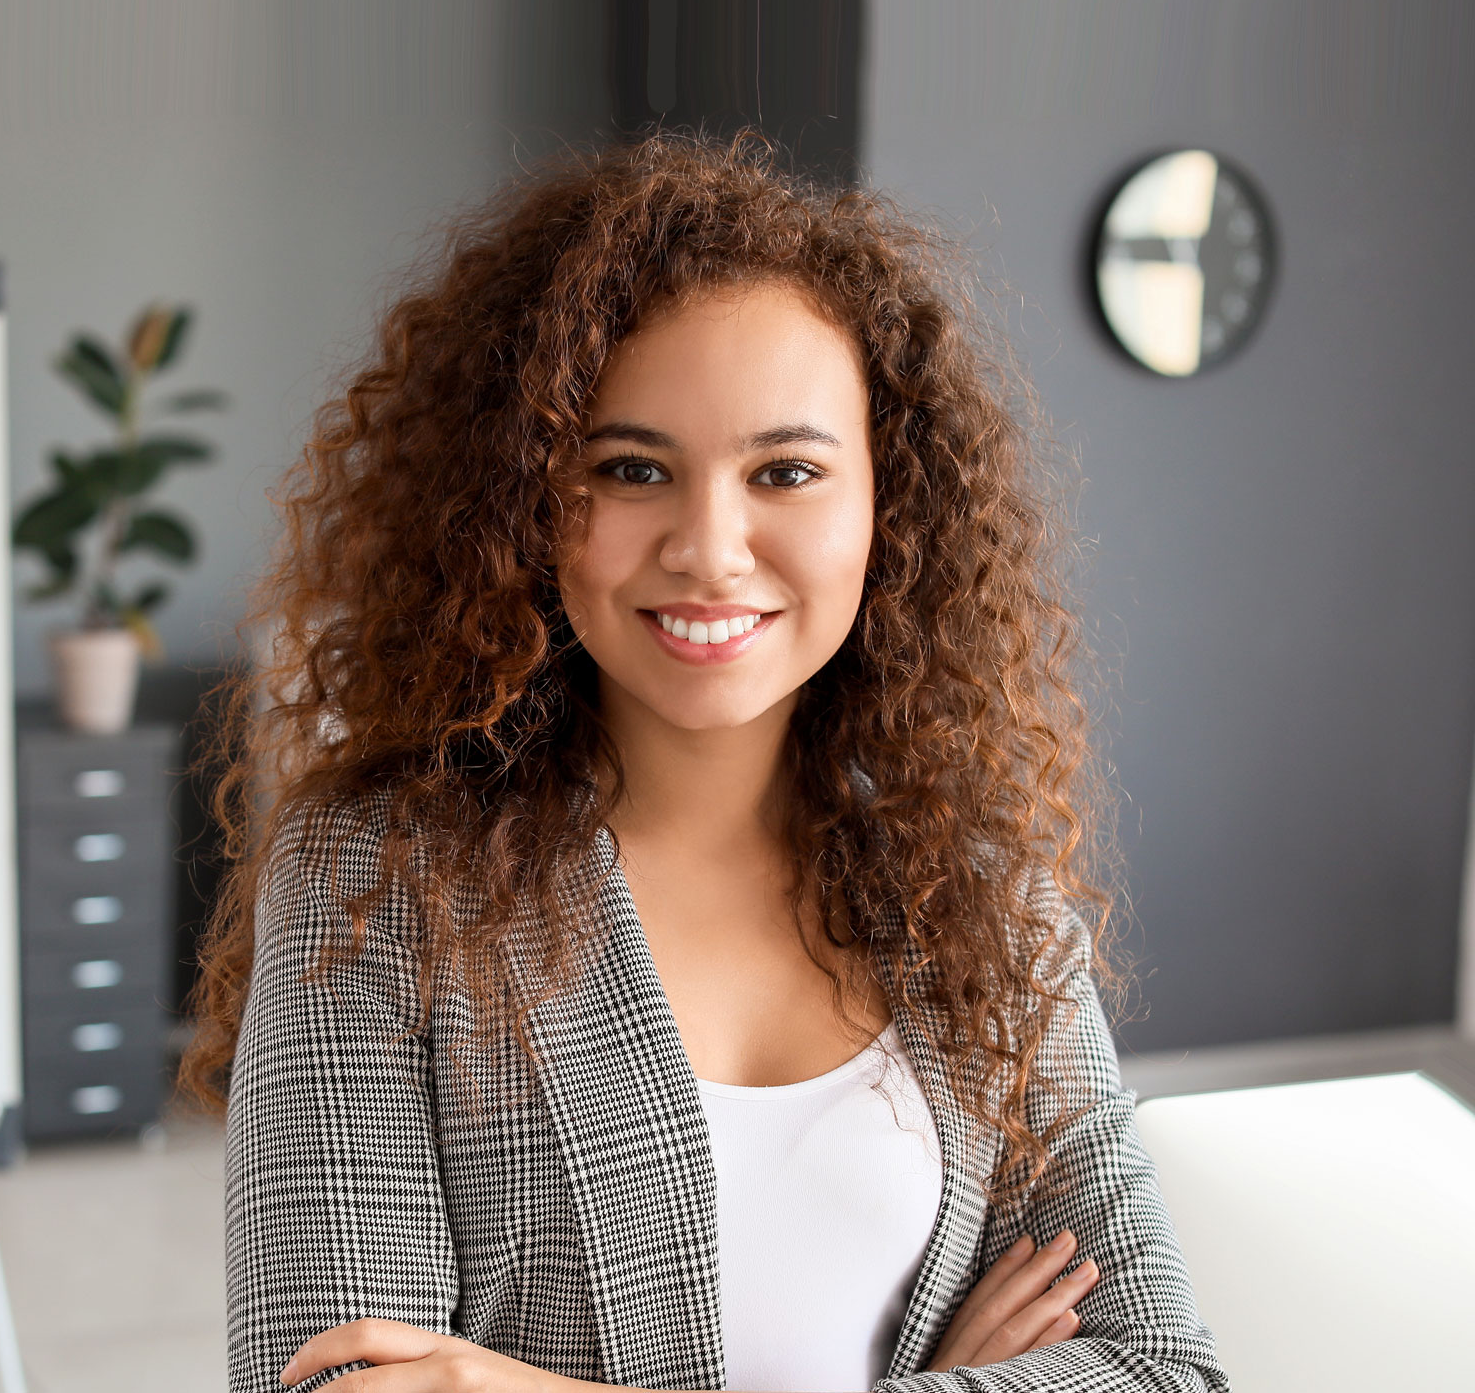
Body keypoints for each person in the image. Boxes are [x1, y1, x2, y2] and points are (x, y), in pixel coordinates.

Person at [185, 133, 1229, 1393]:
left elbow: (1166, 1372)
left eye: (784, 471)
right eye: (633, 470)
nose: (711, 548)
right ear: (527, 499)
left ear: (885, 509)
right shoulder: (377, 877)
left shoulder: (980, 901)